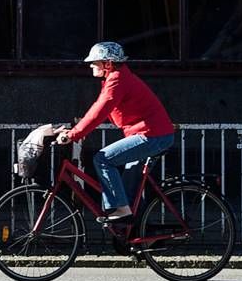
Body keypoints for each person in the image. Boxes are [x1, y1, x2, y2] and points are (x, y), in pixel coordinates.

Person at [55, 41, 176, 222]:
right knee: (129, 189)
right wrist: (79, 130)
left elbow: (100, 110)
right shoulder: (118, 78)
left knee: (103, 159)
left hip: (151, 135)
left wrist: (74, 134)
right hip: (152, 134)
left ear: (108, 63)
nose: (90, 65)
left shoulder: (117, 79)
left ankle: (119, 210)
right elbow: (100, 109)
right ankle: (139, 235)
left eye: (95, 62)